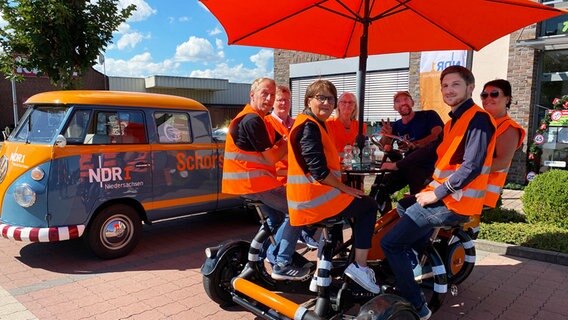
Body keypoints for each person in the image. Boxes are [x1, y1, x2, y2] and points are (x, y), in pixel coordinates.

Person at [381, 66, 497, 320]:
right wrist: (397, 165)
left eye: (455, 85)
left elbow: (472, 166)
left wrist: (437, 194)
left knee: (390, 243)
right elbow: (432, 149)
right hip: (445, 197)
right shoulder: (453, 121)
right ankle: (418, 260)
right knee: (403, 205)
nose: (448, 90)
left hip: (455, 202)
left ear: (470, 88)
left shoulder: (478, 119)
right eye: (445, 86)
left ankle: (418, 305)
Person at [287, 79, 380, 294]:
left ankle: (322, 272)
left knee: (354, 207)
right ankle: (360, 267)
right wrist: (344, 188)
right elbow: (319, 171)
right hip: (315, 198)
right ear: (309, 100)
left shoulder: (310, 122)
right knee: (368, 205)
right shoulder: (310, 126)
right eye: (321, 98)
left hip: (310, 196)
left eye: (330, 99)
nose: (327, 103)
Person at [222, 77, 309, 281]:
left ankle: (258, 255)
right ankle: (282, 262)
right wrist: (288, 140)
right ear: (252, 95)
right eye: (265, 94)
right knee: (298, 210)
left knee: (276, 218)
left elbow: (285, 151)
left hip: (252, 182)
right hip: (252, 182)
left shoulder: (261, 121)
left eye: (272, 94)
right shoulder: (252, 119)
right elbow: (272, 156)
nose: (269, 99)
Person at [265, 85, 318, 249]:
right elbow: (269, 159)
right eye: (280, 100)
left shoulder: (297, 123)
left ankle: (307, 232)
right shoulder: (267, 124)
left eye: (287, 100)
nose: (284, 103)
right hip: (278, 181)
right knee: (298, 208)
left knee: (324, 192)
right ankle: (276, 253)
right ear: (273, 102)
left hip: (296, 180)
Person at [379, 91, 444, 194]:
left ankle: (412, 206)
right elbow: (383, 146)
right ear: (394, 107)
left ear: (412, 103)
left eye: (406, 99)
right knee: (380, 186)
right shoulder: (395, 125)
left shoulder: (428, 115)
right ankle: (380, 206)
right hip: (405, 165)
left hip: (428, 166)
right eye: (398, 101)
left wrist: (417, 144)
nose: (403, 103)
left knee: (416, 192)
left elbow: (437, 134)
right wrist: (386, 135)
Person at [480, 79, 526, 207]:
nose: (488, 98)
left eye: (494, 94)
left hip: (481, 194)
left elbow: (502, 162)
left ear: (507, 99)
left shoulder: (509, 128)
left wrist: (464, 173)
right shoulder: (484, 123)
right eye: (484, 95)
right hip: (468, 190)